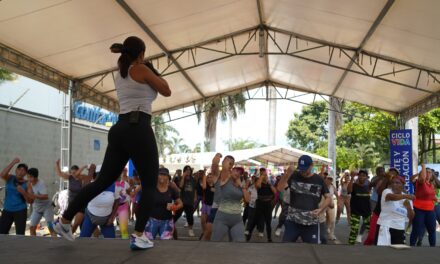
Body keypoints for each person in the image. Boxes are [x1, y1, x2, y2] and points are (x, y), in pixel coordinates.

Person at [54, 36, 171, 250]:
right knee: (149, 184)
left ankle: (64, 220)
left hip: (120, 129)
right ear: (141, 53)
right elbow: (166, 89)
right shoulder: (142, 70)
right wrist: (150, 67)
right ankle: (138, 235)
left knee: (100, 182)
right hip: (139, 127)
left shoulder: (121, 74)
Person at [277, 155, 331, 244]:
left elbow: (328, 198)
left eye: (306, 169)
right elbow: (279, 188)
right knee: (286, 247)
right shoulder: (293, 175)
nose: (303, 172)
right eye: (301, 169)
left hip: (311, 223)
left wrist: (321, 209)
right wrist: (287, 175)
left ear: (312, 165)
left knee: (313, 250)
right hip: (292, 221)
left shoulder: (318, 180)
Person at [211, 154, 250, 242]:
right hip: (222, 218)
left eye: (240, 173)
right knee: (214, 244)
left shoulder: (241, 185)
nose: (238, 173)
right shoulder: (224, 179)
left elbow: (248, 200)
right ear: (231, 170)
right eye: (236, 170)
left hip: (237, 220)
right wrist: (218, 156)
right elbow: (216, 166)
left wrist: (241, 186)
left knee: (240, 244)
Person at [80, 167, 120, 239]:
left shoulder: (114, 186)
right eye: (99, 174)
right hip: (90, 217)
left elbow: (117, 201)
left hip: (107, 220)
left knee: (111, 242)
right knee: (83, 239)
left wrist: (112, 217)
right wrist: (91, 172)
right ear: (96, 175)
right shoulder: (91, 185)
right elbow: (83, 190)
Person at [376, 175, 415, 245]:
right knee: (382, 252)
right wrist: (405, 196)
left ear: (403, 185)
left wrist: (409, 207)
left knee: (398, 253)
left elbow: (411, 217)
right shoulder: (387, 191)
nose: (394, 185)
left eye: (397, 183)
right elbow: (391, 197)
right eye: (392, 183)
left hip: (399, 228)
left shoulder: (407, 198)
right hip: (385, 226)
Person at [55, 159, 92, 234]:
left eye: (74, 172)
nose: (73, 174)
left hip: (81, 204)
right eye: (71, 173)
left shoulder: (82, 177)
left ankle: (71, 236)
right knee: (67, 223)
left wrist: (84, 166)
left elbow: (86, 177)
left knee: (76, 224)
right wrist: (57, 165)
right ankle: (66, 235)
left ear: (79, 171)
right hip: (71, 203)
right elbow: (60, 174)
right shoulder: (70, 177)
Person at [145, 168, 182, 240]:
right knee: (148, 243)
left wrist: (174, 207)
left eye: (165, 175)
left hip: (167, 221)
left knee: (166, 245)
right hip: (152, 220)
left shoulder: (171, 189)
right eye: (160, 174)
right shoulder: (152, 189)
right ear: (157, 176)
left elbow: (180, 204)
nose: (162, 177)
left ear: (168, 177)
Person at [0, 158, 31, 235]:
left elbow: (30, 201)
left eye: (23, 170)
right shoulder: (10, 178)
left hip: (20, 210)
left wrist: (23, 192)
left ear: (25, 173)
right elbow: (2, 174)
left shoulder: (27, 183)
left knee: (20, 234)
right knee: (2, 233)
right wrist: (13, 162)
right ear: (16, 170)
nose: (21, 172)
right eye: (19, 169)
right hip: (7, 209)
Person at [246, 168, 277, 242]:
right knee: (254, 220)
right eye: (263, 175)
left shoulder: (269, 184)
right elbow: (258, 186)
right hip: (260, 203)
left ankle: (269, 238)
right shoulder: (259, 183)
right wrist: (261, 177)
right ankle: (249, 236)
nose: (265, 176)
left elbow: (275, 192)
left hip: (268, 205)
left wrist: (269, 183)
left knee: (268, 222)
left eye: (266, 175)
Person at [410, 164, 437, 247]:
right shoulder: (420, 182)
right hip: (419, 209)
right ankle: (412, 246)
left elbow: (431, 195)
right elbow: (415, 179)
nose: (428, 174)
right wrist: (423, 167)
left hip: (430, 210)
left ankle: (433, 247)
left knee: (432, 230)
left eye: (430, 173)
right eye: (427, 172)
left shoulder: (431, 185)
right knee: (416, 229)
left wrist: (435, 199)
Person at [27, 168, 56, 237]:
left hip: (47, 207)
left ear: (35, 177)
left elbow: (45, 196)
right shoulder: (29, 184)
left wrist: (33, 195)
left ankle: (55, 240)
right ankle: (34, 243)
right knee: (32, 227)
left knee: (50, 226)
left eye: (30, 177)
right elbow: (30, 196)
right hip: (37, 208)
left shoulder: (41, 184)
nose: (29, 179)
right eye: (28, 176)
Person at [347, 169, 371, 245]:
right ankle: (351, 245)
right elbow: (349, 191)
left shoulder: (369, 185)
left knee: (371, 229)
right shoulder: (354, 185)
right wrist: (351, 178)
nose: (361, 177)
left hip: (366, 211)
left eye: (364, 176)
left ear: (367, 177)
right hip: (355, 211)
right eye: (360, 175)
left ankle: (372, 245)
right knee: (354, 229)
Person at [175, 165, 196, 237]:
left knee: (190, 216)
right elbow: (180, 186)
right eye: (186, 170)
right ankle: (170, 227)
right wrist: (183, 177)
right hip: (182, 201)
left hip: (189, 201)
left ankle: (190, 230)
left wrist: (195, 197)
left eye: (189, 170)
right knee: (177, 215)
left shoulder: (193, 179)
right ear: (184, 171)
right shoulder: (181, 178)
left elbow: (195, 189)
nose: (188, 171)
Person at [115, 169, 131, 239]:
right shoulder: (110, 184)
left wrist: (128, 201)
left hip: (123, 206)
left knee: (124, 229)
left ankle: (125, 242)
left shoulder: (126, 184)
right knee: (108, 227)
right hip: (111, 207)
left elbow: (130, 193)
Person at [200, 171, 215, 237]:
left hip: (213, 206)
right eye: (208, 177)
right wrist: (204, 174)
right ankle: (204, 232)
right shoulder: (206, 185)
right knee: (203, 220)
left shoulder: (216, 186)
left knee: (210, 222)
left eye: (211, 177)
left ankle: (208, 233)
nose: (209, 178)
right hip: (205, 205)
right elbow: (203, 187)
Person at [325, 175, 337, 241]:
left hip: (331, 204)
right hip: (323, 204)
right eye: (328, 179)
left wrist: (338, 201)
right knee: (320, 219)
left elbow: (337, 195)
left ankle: (331, 235)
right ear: (325, 179)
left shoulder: (333, 187)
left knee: (332, 220)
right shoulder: (322, 186)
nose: (329, 180)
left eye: (330, 179)